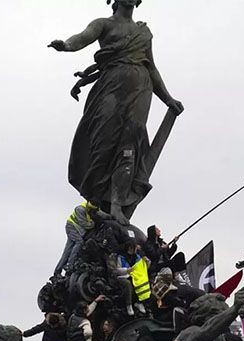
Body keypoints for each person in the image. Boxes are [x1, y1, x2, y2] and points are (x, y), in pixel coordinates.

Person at [49, 0, 184, 224]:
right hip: (111, 86)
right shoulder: (103, 24)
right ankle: (94, 201)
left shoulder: (144, 32)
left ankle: (117, 204)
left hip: (141, 87)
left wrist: (168, 98)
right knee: (103, 140)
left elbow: (151, 66)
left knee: (130, 145)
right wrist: (66, 45)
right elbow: (83, 37)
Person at [54, 201, 100, 276]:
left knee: (67, 251)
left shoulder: (91, 209)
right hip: (72, 227)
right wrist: (93, 223)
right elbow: (85, 224)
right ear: (89, 208)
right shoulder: (80, 209)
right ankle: (70, 265)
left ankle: (57, 271)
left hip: (78, 230)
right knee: (79, 242)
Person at [108, 236, 150, 315]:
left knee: (144, 282)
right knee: (127, 284)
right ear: (130, 248)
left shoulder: (137, 257)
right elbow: (117, 270)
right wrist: (127, 270)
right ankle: (129, 305)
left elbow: (143, 268)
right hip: (123, 276)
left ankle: (140, 302)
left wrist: (147, 262)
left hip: (135, 276)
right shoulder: (121, 257)